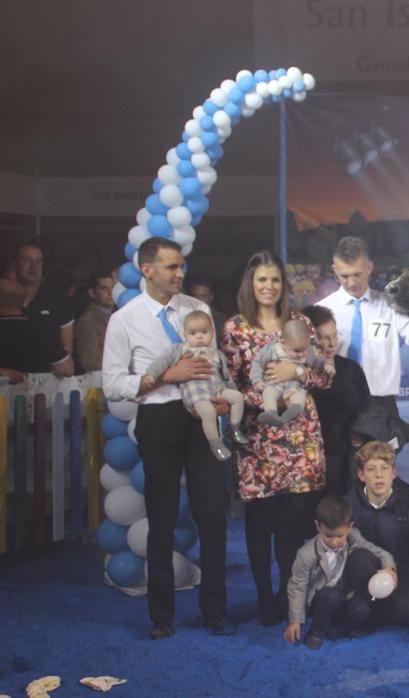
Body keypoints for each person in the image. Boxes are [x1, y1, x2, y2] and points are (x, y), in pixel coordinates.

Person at [101, 237, 230, 639]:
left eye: (181, 266)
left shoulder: (196, 309)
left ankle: (215, 612)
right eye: (171, 267)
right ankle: (162, 617)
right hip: (158, 417)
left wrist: (221, 397)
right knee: (161, 517)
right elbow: (112, 383)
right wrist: (164, 377)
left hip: (201, 416)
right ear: (147, 270)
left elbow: (213, 364)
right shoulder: (125, 319)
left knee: (213, 515)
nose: (179, 274)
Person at [222, 250, 331, 627]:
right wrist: (267, 399)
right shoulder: (235, 328)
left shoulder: (301, 322)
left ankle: (289, 594)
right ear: (250, 284)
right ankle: (264, 598)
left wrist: (295, 374)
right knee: (259, 522)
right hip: (258, 439)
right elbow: (230, 385)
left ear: (283, 285)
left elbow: (323, 378)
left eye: (274, 280)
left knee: (292, 524)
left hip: (300, 439)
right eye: (261, 280)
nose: (268, 286)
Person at [322, 236, 409, 451]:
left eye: (357, 274)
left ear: (370, 267)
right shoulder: (322, 311)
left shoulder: (389, 307)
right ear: (334, 270)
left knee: (381, 470)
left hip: (381, 406)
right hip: (336, 403)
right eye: (344, 276)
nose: (351, 282)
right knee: (338, 468)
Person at [284, 495, 397, 650]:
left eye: (339, 535)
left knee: (361, 608)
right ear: (318, 526)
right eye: (328, 536)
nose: (334, 542)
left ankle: (341, 626)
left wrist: (389, 568)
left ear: (350, 527)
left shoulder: (353, 537)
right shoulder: (305, 554)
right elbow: (297, 587)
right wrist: (295, 620)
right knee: (331, 596)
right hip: (322, 598)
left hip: (346, 595)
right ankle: (316, 632)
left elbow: (381, 553)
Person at [349, 441, 409, 640]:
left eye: (384, 468)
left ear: (393, 472)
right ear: (361, 475)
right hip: (366, 569)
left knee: (404, 611)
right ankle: (372, 612)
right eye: (371, 469)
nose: (379, 475)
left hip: (401, 571)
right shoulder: (349, 505)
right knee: (358, 563)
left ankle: (389, 610)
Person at [142, 310, 245, 462]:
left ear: (212, 333)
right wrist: (151, 374)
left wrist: (231, 391)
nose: (199, 337)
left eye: (204, 332)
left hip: (218, 390)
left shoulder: (217, 353)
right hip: (197, 395)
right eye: (193, 333)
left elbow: (226, 376)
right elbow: (162, 362)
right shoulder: (180, 350)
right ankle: (215, 443)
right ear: (185, 335)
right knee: (208, 412)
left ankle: (234, 428)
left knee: (238, 397)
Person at [302, 304, 371, 497]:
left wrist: (360, 433)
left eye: (334, 335)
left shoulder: (350, 368)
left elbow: (366, 408)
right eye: (323, 338)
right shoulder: (296, 372)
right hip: (305, 460)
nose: (332, 343)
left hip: (345, 460)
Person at [249, 317, 335, 426]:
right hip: (274, 384)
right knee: (268, 393)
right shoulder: (273, 348)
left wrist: (327, 365)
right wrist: (257, 381)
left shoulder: (306, 351)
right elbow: (257, 363)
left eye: (304, 350)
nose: (301, 354)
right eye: (297, 351)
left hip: (295, 386)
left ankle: (288, 416)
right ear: (283, 342)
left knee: (300, 397)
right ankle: (271, 413)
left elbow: (317, 362)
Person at [14, 241, 74, 377]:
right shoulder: (5, 297)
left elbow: (66, 354)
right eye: (27, 260)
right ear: (14, 264)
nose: (33, 266)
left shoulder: (58, 298)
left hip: (47, 380)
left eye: (38, 261)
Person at [73, 269, 115, 373]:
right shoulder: (87, 322)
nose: (110, 293)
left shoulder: (118, 315)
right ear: (92, 293)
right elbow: (90, 364)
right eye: (104, 289)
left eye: (113, 288)